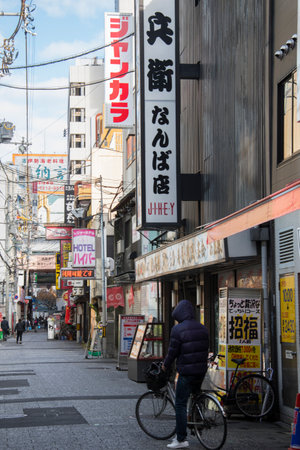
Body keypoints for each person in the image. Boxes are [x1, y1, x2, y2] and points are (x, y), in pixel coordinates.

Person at [162, 299, 209, 449]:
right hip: (201, 371)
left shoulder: (178, 329)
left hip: (186, 372)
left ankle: (181, 439)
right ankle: (198, 423)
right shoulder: (203, 328)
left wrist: (165, 365)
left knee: (181, 403)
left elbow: (172, 352)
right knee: (196, 396)